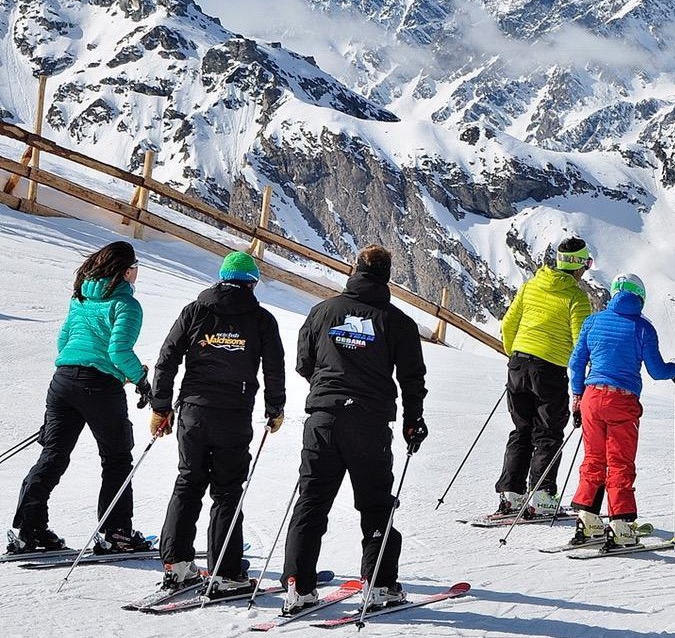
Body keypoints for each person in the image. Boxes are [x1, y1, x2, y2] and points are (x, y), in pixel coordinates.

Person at [280, 245, 428, 614]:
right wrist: (414, 420)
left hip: (323, 421)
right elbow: (412, 379)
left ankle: (298, 587)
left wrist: (329, 383)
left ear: (354, 269)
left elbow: (303, 362)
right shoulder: (397, 322)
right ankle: (378, 586)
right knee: (376, 504)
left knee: (311, 501)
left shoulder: (322, 312)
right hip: (369, 423)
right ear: (387, 275)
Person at [151, 251, 286, 593]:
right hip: (234, 413)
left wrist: (161, 407)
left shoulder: (196, 310)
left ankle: (176, 563)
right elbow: (274, 367)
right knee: (227, 491)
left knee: (188, 482)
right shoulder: (261, 319)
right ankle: (226, 572)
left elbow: (167, 358)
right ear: (252, 283)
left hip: (193, 412)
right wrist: (275, 409)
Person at [8, 240, 153, 555]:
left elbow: (63, 341)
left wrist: (81, 367)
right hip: (99, 388)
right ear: (127, 271)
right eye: (136, 267)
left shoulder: (80, 296)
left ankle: (29, 530)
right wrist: (140, 378)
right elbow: (118, 351)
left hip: (62, 382)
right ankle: (116, 533)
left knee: (53, 455)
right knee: (116, 458)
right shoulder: (126, 305)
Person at [568, 273, 675, 548]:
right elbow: (656, 371)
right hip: (622, 399)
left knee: (594, 458)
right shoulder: (643, 328)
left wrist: (577, 396)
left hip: (592, 397)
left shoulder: (592, 322)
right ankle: (620, 524)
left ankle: (587, 518)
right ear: (640, 297)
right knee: (619, 461)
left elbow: (576, 362)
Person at [496, 237, 593, 517]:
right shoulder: (575, 297)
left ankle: (511, 494)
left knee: (521, 429)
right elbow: (580, 344)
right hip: (549, 370)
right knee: (548, 432)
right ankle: (542, 495)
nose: (587, 269)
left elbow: (508, 323)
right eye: (587, 263)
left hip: (518, 362)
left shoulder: (531, 285)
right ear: (578, 265)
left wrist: (514, 355)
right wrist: (581, 381)